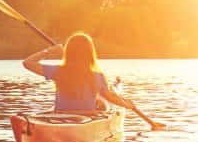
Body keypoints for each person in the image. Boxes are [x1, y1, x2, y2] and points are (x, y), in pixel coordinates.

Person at [22, 32, 161, 126]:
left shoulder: (58, 71)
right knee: (102, 104)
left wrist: (50, 51)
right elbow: (110, 97)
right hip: (85, 118)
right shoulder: (97, 76)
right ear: (90, 53)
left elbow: (27, 63)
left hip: (61, 117)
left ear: (69, 52)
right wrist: (127, 105)